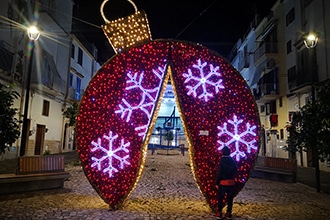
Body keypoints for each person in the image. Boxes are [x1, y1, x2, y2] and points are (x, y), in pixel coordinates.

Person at [215, 146, 238, 220]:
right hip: (231, 182)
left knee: (220, 198)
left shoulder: (222, 161)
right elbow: (235, 169)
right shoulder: (232, 160)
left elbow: (219, 172)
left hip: (223, 182)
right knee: (230, 198)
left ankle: (219, 212)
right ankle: (228, 212)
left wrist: (217, 182)